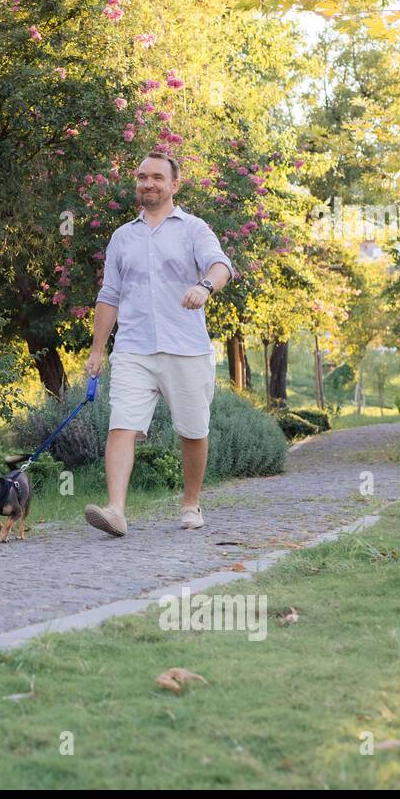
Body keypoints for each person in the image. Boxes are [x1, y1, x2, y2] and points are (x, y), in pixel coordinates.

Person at [82, 151, 233, 534]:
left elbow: (221, 266)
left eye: (157, 178)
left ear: (174, 185)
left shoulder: (194, 229)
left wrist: (203, 286)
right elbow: (109, 295)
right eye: (141, 176)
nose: (148, 183)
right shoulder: (121, 237)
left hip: (186, 347)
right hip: (134, 348)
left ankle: (191, 503)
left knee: (193, 431)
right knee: (122, 425)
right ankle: (115, 510)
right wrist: (98, 349)